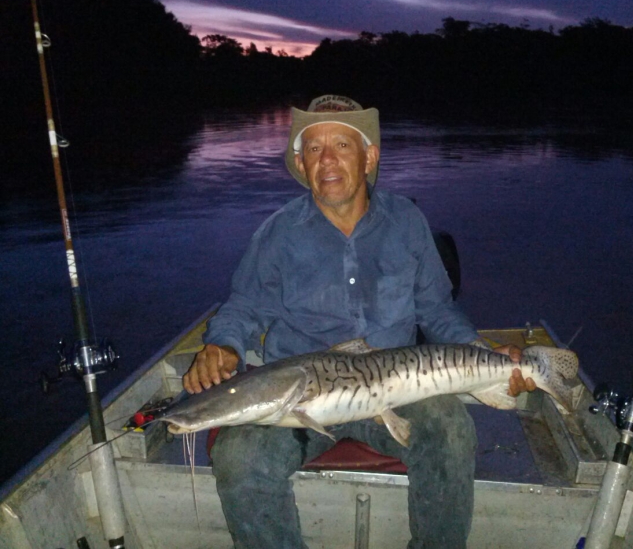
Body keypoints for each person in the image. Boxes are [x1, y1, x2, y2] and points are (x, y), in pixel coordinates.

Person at [183, 95, 536, 548]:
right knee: (238, 458)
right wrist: (224, 345)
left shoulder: (407, 222)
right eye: (314, 148)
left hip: (396, 389)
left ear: (368, 158)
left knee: (451, 431)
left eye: (342, 146)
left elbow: (436, 310)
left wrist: (484, 356)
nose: (327, 160)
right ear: (301, 163)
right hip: (297, 398)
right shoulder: (277, 233)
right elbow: (244, 307)